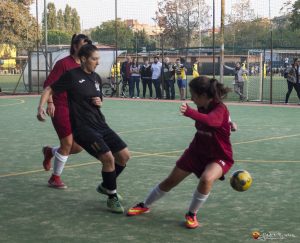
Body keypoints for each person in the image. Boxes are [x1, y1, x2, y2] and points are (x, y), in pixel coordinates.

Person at [127, 76, 234, 229]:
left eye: (193, 94)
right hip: (196, 152)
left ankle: (191, 213)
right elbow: (220, 120)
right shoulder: (204, 105)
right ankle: (144, 205)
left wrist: (190, 112)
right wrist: (230, 123)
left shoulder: (219, 108)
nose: (191, 98)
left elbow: (213, 121)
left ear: (203, 96)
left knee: (206, 179)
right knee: (170, 181)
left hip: (219, 156)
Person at [37, 44, 130, 213]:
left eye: (98, 59)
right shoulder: (71, 76)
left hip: (100, 124)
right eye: (94, 59)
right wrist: (41, 107)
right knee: (108, 158)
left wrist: (99, 101)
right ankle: (112, 197)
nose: (98, 62)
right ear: (84, 59)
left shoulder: (95, 77)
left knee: (124, 156)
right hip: (82, 128)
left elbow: (99, 98)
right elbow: (49, 89)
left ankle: (106, 186)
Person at [42, 34, 92, 189]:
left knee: (78, 147)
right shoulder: (63, 64)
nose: (86, 47)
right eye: (84, 44)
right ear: (75, 46)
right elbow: (48, 84)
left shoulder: (85, 65)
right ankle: (55, 178)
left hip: (77, 109)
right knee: (67, 143)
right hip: (60, 106)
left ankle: (51, 151)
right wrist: (50, 102)